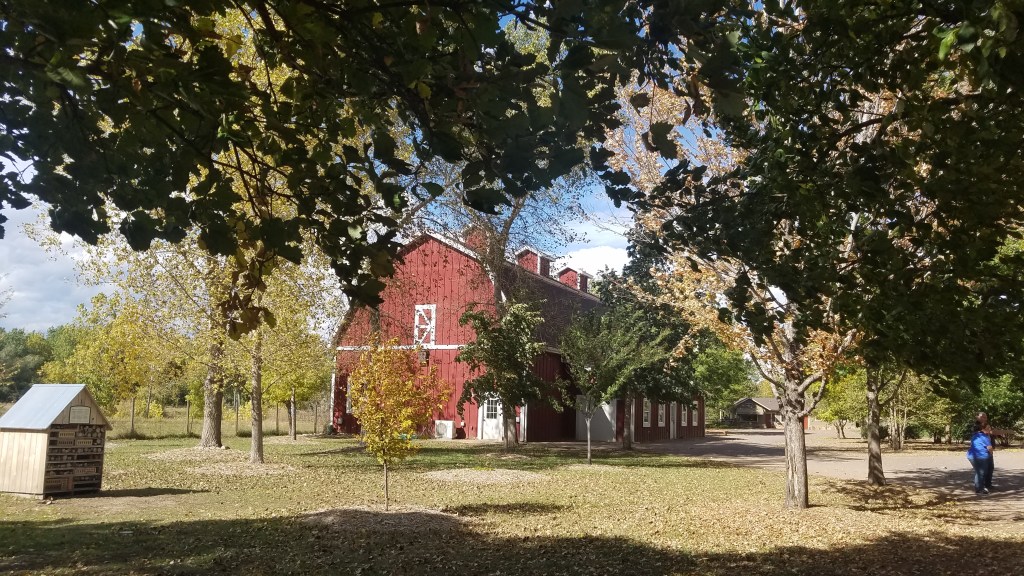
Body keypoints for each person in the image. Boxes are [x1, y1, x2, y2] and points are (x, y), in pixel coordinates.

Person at [967, 421, 993, 494]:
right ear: (983, 429)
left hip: (972, 456)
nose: (990, 429)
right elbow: (989, 448)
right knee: (981, 472)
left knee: (980, 472)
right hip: (980, 457)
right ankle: (979, 489)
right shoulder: (984, 437)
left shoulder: (975, 435)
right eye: (988, 428)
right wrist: (990, 454)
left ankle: (981, 487)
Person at [977, 412, 995, 490]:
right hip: (982, 451)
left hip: (989, 450)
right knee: (982, 470)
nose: (985, 418)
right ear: (977, 417)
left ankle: (988, 484)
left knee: (990, 468)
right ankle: (980, 487)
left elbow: (990, 435)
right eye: (982, 416)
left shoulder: (986, 425)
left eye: (985, 416)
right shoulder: (976, 426)